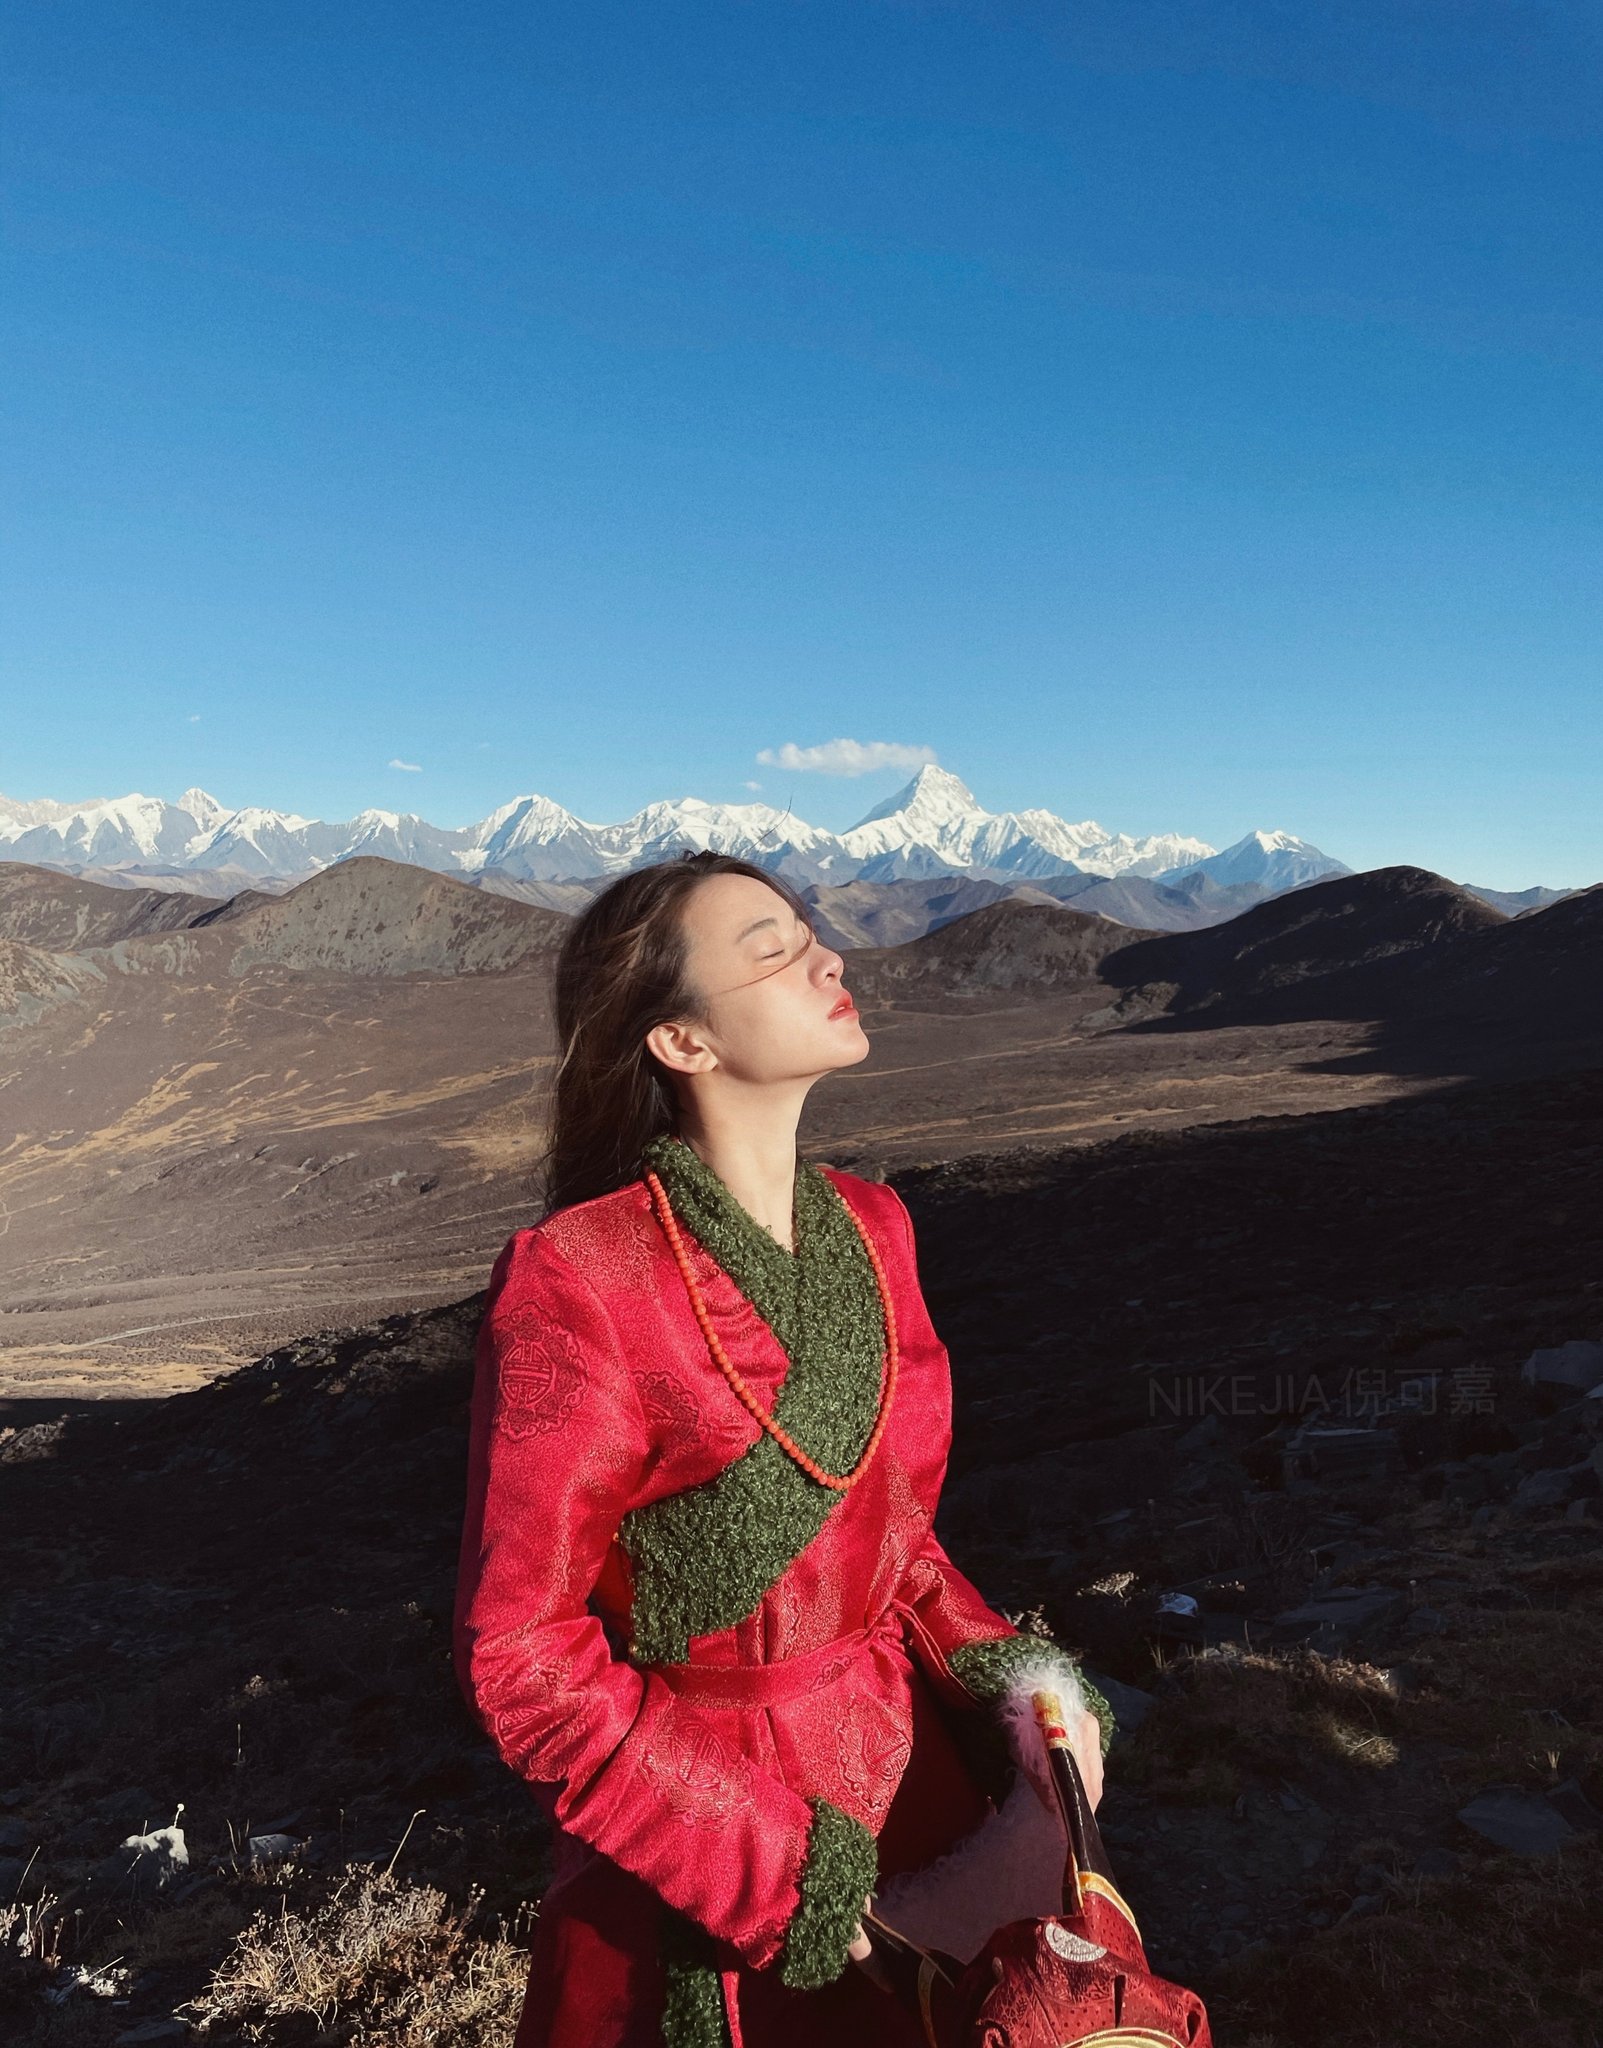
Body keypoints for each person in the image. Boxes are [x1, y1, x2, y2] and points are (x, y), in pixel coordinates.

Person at [453, 849, 1112, 2048]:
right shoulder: (580, 1277)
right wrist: (761, 1863)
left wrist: (1020, 1689)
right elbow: (521, 1653)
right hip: (712, 1837)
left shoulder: (875, 1225)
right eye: (773, 948)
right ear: (682, 1040)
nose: (828, 956)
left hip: (922, 1788)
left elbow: (896, 1546)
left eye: (810, 930)